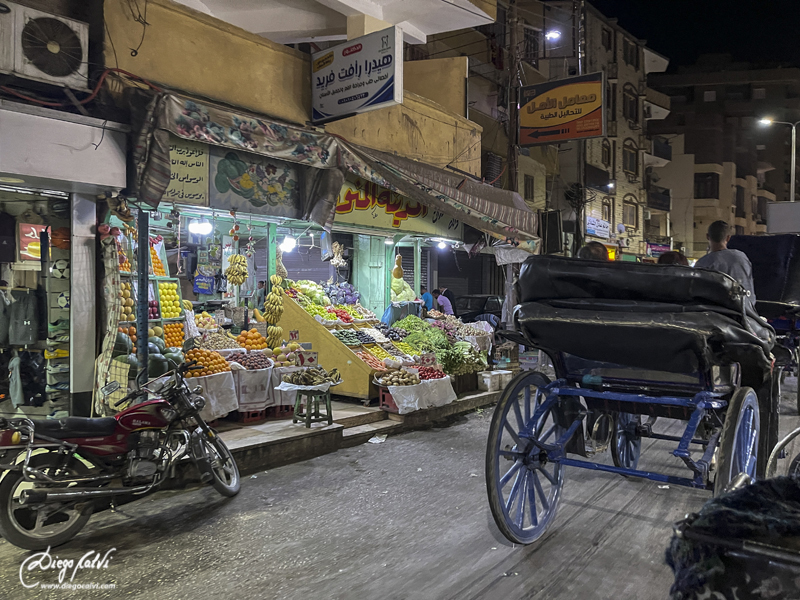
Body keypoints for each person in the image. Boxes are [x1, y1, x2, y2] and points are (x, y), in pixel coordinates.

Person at [695, 221, 756, 306]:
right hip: (746, 312)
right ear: (728, 238)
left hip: (716, 314)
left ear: (707, 236)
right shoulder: (742, 257)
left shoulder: (703, 263)